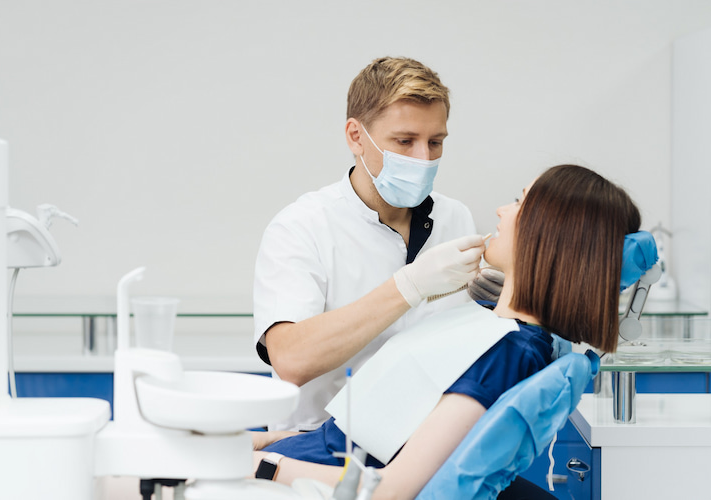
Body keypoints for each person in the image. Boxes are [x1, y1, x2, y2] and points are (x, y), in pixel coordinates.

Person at [252, 164, 645, 499]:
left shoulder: (508, 353)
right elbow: (368, 436)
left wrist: (262, 465)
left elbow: (391, 489)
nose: (502, 211)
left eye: (519, 202)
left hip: (308, 477)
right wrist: (271, 445)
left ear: (548, 236)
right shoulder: (501, 331)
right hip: (308, 454)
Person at [254, 56, 501, 432]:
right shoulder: (301, 227)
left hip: (426, 448)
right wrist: (408, 286)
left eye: (435, 142)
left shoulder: (455, 218)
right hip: (324, 452)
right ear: (356, 136)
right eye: (405, 141)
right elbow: (290, 360)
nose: (424, 159)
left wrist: (495, 309)